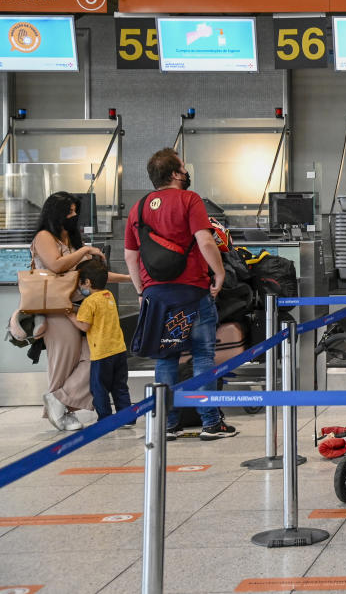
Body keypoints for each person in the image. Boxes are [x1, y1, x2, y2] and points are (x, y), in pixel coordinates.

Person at [124, 148, 234, 441]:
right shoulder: (190, 199)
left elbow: (130, 255)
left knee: (166, 358)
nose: (186, 172)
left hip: (157, 297)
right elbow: (205, 240)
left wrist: (140, 290)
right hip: (192, 292)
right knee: (202, 355)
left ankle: (168, 424)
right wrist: (219, 273)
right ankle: (211, 423)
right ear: (175, 173)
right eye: (183, 168)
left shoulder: (138, 207)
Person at [32, 192, 107, 431]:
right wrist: (84, 251)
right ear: (56, 214)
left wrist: (129, 278)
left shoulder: (72, 241)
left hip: (76, 308)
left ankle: (60, 400)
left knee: (93, 358)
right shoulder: (44, 236)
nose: (73, 215)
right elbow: (55, 265)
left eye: (75, 210)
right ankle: (59, 410)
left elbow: (86, 275)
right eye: (69, 211)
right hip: (55, 310)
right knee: (62, 363)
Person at [68, 257, 132, 424]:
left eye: (80, 284)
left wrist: (70, 315)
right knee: (120, 386)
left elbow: (84, 326)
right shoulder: (108, 294)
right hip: (119, 349)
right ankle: (127, 417)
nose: (79, 288)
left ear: (87, 282)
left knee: (99, 388)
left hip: (101, 353)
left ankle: (105, 419)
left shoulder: (89, 302)